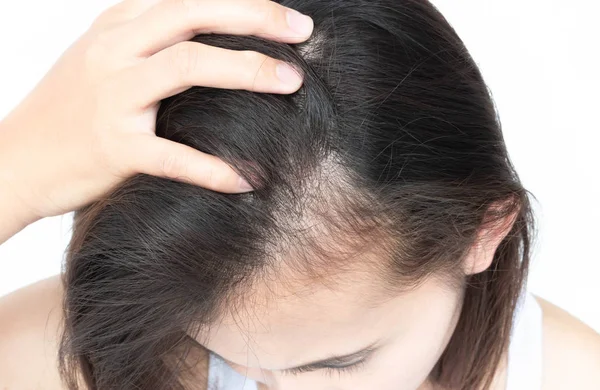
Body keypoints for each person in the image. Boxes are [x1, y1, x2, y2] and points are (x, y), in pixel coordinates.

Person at [0, 0, 598, 389]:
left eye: (337, 363)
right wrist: (16, 171)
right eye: (224, 355)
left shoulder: (567, 375)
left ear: (482, 232)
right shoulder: (123, 355)